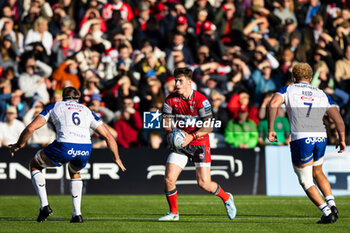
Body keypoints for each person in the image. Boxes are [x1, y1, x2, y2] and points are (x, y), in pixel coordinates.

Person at [9, 87, 126, 223]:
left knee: (34, 165)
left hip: (65, 145)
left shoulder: (55, 106)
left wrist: (19, 144)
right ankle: (77, 214)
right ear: (78, 96)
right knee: (74, 171)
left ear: (63, 97)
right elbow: (109, 137)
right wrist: (116, 158)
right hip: (85, 148)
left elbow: (31, 128)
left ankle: (44, 207)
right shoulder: (86, 110)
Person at [268, 63, 346, 224]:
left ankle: (327, 212)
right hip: (321, 136)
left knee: (305, 180)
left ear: (294, 78)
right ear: (311, 79)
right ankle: (332, 204)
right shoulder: (321, 94)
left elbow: (273, 104)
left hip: (301, 138)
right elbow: (338, 119)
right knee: (318, 171)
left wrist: (271, 128)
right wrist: (342, 138)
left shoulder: (288, 89)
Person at [158, 67, 236, 221]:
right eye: (176, 81)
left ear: (189, 82)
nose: (177, 84)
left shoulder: (201, 100)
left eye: (180, 81)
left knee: (204, 183)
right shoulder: (170, 99)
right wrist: (171, 133)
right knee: (168, 179)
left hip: (199, 142)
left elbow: (209, 126)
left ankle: (226, 197)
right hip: (181, 143)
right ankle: (174, 213)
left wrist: (191, 136)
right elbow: (166, 123)